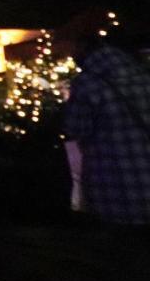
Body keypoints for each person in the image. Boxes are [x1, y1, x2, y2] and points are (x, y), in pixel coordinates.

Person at [63, 33, 150, 236]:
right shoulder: (143, 76)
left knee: (120, 255)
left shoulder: (87, 83)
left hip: (115, 187)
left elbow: (74, 129)